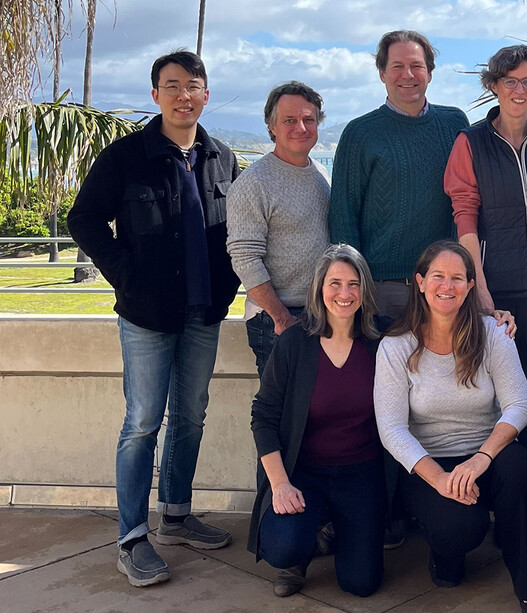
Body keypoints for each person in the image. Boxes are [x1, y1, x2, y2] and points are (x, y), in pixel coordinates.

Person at [67, 50, 240, 587]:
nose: (183, 95)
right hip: (146, 314)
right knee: (142, 423)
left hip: (203, 313)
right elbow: (84, 219)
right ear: (155, 96)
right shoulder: (125, 157)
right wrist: (126, 275)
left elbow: (241, 230)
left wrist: (230, 285)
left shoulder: (223, 159)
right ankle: (132, 538)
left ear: (206, 94)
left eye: (193, 86)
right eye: (172, 86)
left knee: (190, 417)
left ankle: (178, 516)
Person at [374, 241, 527, 613]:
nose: (447, 285)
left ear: (470, 286)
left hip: (488, 452)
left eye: (458, 277)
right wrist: (439, 478)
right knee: (459, 531)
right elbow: (391, 428)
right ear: (419, 282)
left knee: (522, 474)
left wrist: (482, 457)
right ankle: (444, 555)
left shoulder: (492, 334)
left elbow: (520, 405)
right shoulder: (396, 346)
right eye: (438, 276)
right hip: (430, 462)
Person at [444, 44, 527, 462]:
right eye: (509, 81)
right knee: (492, 400)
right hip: (496, 292)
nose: (519, 90)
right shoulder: (471, 142)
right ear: (494, 85)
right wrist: (479, 291)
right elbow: (465, 220)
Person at [248, 244, 387, 598]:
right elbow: (263, 415)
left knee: (361, 583)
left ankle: (330, 530)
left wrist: (495, 320)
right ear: (319, 289)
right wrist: (279, 484)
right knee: (282, 547)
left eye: (353, 284)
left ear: (365, 289)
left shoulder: (381, 340)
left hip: (361, 472)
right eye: (335, 283)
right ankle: (302, 545)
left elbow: (437, 329)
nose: (344, 293)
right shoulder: (295, 341)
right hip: (304, 473)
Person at [329, 30, 469, 320]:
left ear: (429, 72)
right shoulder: (360, 133)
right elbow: (343, 214)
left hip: (441, 287)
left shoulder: (455, 123)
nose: (408, 74)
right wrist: (354, 286)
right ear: (382, 73)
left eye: (416, 66)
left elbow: (465, 200)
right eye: (397, 66)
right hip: (382, 290)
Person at [228, 81, 331, 375]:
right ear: (272, 126)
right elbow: (245, 258)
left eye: (308, 120)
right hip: (277, 319)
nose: (301, 127)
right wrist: (281, 317)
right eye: (289, 120)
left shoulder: (321, 174)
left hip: (322, 312)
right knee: (282, 414)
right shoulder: (254, 183)